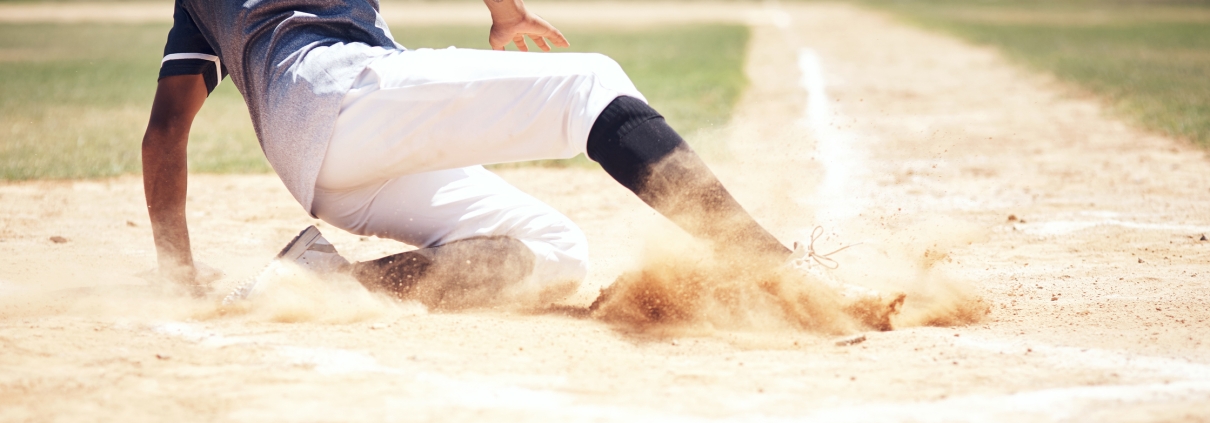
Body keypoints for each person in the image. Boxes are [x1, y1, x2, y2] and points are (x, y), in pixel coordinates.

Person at [143, 0, 807, 309]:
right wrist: (506, 11)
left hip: (320, 167)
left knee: (554, 248)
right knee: (590, 83)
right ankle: (767, 262)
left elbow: (166, 130)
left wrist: (178, 266)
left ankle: (326, 281)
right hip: (344, 94)